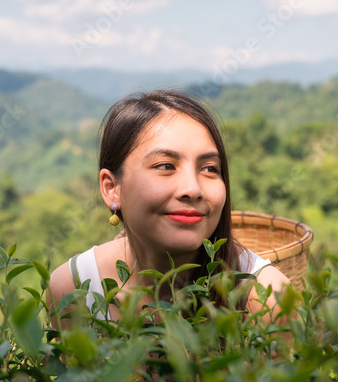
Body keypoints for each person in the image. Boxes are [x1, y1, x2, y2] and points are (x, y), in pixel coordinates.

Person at [47, 90, 290, 327]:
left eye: (209, 168)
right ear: (112, 188)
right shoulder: (75, 288)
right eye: (166, 166)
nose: (193, 189)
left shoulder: (266, 299)